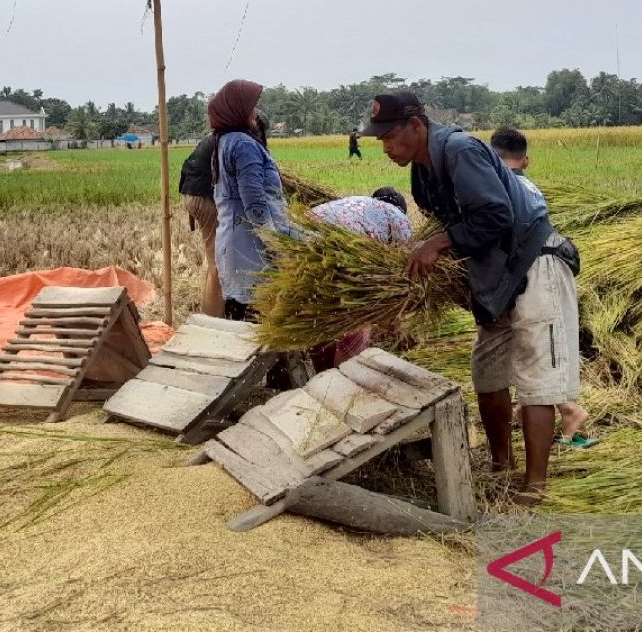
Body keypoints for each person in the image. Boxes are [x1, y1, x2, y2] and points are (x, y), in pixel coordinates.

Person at [363, 90, 578, 505]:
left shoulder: (460, 151)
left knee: (538, 379)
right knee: (487, 372)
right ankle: (501, 468)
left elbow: (497, 215)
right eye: (380, 140)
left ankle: (535, 487)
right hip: (494, 275)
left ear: (416, 126)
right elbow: (450, 220)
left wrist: (440, 243)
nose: (386, 146)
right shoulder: (423, 169)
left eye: (390, 136)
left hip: (534, 263)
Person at [490, 126, 595, 449]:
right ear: (527, 160)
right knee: (533, 350)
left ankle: (568, 415)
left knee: (538, 353)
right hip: (538, 272)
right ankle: (542, 412)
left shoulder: (502, 186)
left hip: (537, 274)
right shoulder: (528, 185)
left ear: (491, 159)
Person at [210, 79, 290, 322]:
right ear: (237, 110)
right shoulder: (243, 144)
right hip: (251, 245)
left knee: (238, 315)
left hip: (233, 240)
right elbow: (254, 203)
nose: (255, 113)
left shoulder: (224, 141)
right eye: (250, 108)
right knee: (256, 319)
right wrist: (275, 243)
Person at [307, 187, 413, 370]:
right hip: (334, 255)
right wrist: (395, 323)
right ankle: (346, 373)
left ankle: (323, 375)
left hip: (299, 247)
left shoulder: (357, 205)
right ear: (400, 209)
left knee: (319, 314)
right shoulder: (398, 217)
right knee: (358, 315)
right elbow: (403, 274)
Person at [178, 134, 224, 317]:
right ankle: (212, 317)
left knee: (215, 258)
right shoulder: (230, 138)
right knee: (218, 263)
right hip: (202, 197)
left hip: (193, 194)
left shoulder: (216, 136)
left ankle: (214, 310)